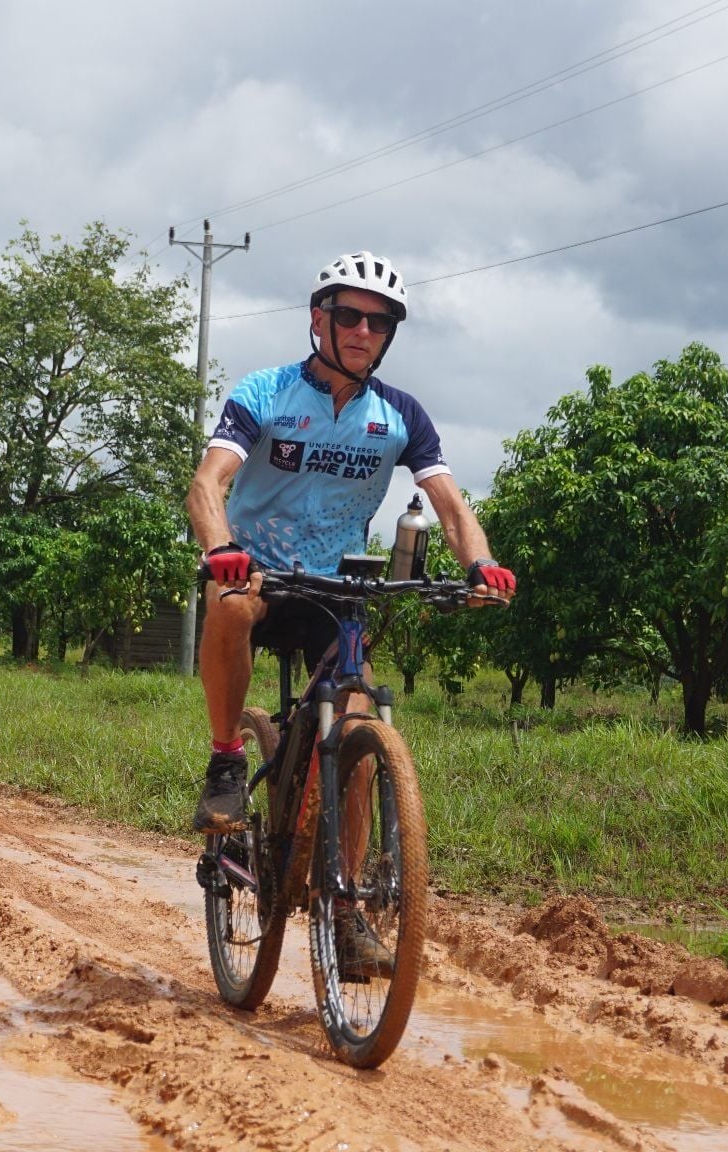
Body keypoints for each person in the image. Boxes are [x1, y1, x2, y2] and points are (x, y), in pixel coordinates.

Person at [185, 251, 517, 975]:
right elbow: (208, 483)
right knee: (231, 606)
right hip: (261, 573)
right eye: (349, 315)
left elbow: (450, 505)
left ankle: (345, 911)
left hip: (337, 590)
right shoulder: (266, 392)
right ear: (318, 319)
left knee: (360, 718)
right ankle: (226, 759)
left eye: (379, 321)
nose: (364, 330)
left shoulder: (398, 416)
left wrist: (480, 564)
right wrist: (221, 547)